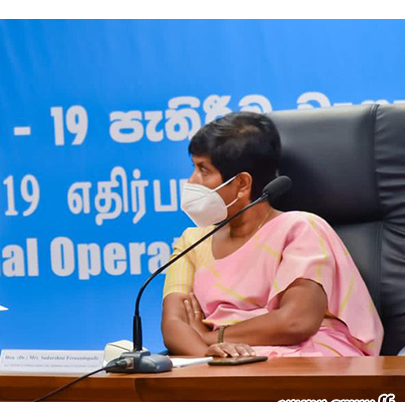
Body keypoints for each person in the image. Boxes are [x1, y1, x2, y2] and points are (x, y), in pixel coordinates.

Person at [161, 112, 383, 358]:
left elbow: (296, 322)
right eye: (193, 167)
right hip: (227, 363)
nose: (192, 181)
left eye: (203, 169)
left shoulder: (300, 228)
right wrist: (211, 356)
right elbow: (174, 323)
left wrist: (213, 337)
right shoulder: (192, 241)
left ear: (242, 184)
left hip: (309, 359)